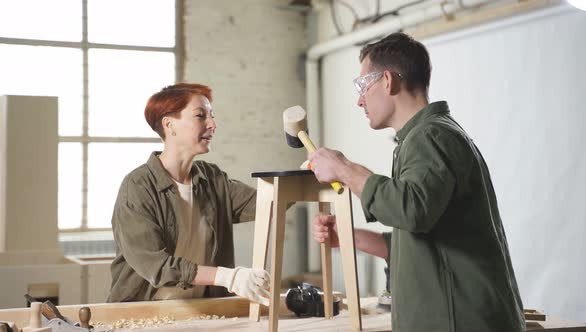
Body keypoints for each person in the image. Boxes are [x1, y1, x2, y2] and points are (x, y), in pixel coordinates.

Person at [309, 33, 525, 331]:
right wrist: (347, 236)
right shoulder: (427, 137)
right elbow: (419, 241)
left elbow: (412, 209)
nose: (359, 100)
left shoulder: (431, 136)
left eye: (363, 86)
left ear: (387, 80)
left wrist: (344, 169)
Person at [107, 83, 270, 305]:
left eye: (211, 116)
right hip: (144, 314)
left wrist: (304, 175)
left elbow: (269, 203)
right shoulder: (137, 187)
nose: (212, 124)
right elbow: (157, 267)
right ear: (169, 124)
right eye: (200, 116)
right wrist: (228, 277)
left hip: (203, 310)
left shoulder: (213, 180)